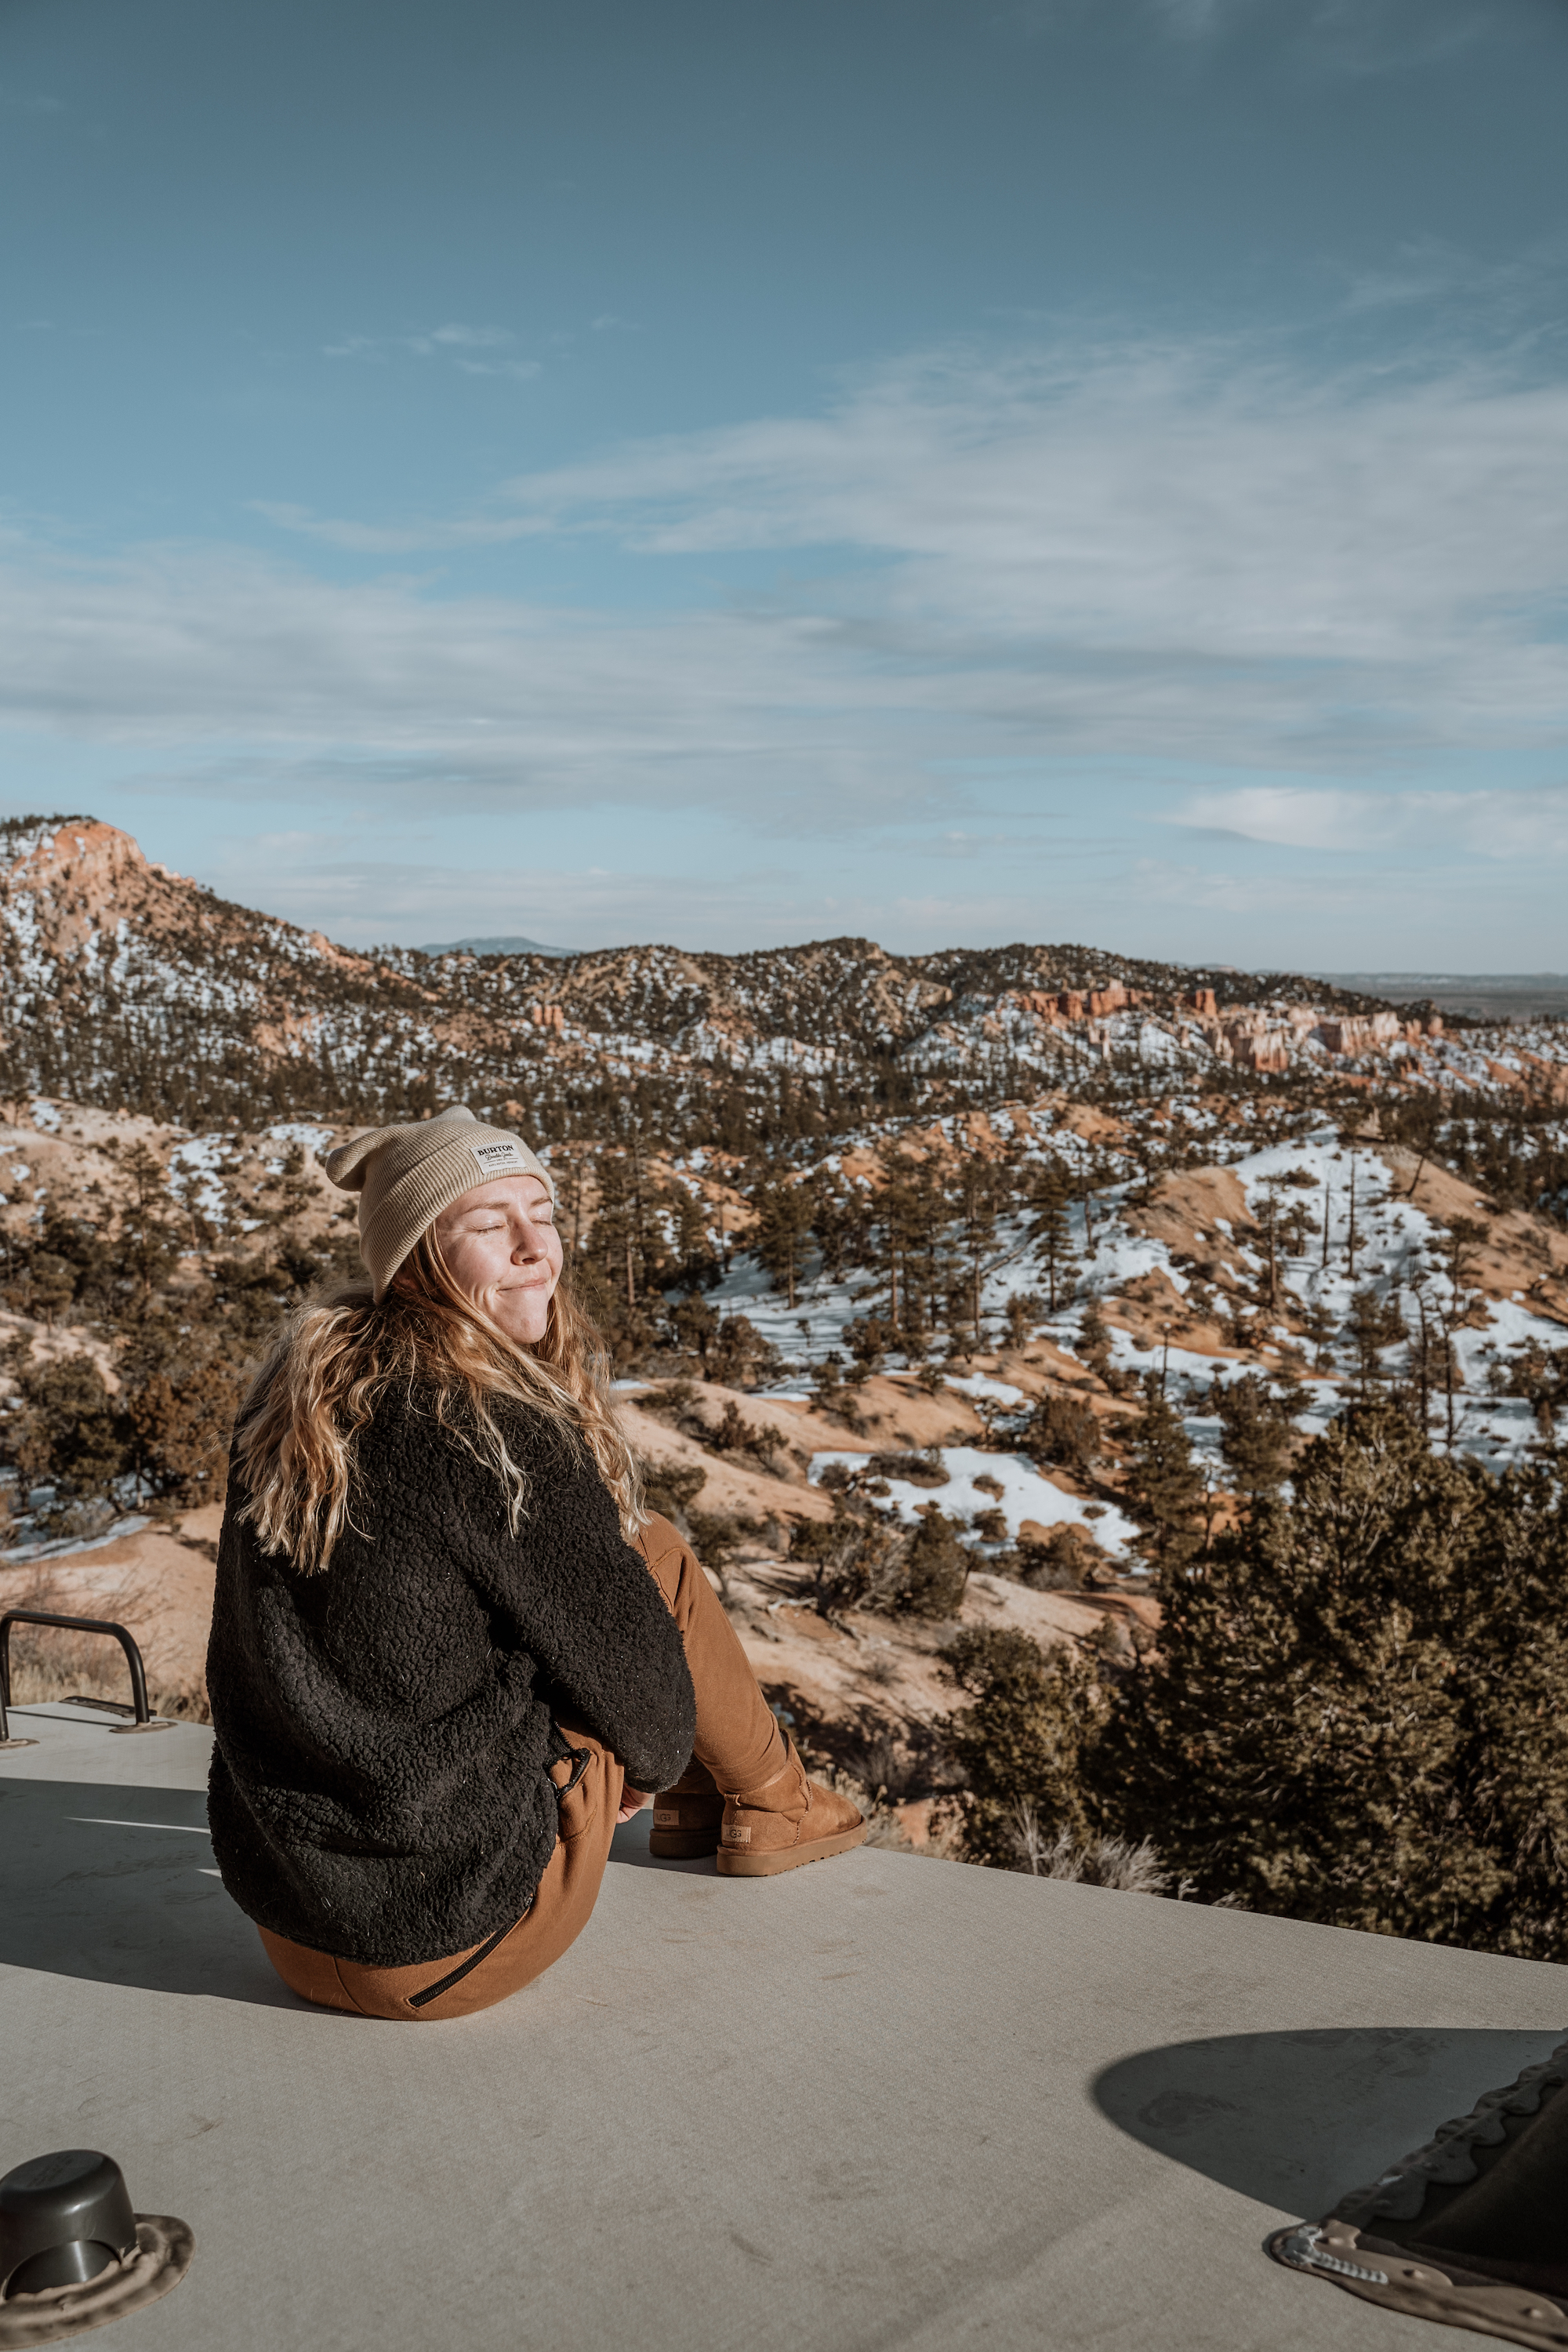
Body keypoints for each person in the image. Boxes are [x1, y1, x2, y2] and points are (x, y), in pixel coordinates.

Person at [205, 1105, 865, 2022]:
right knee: (655, 1561)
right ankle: (773, 1803)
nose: (532, 1248)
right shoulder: (486, 1426)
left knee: (610, 1584)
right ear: (414, 1263)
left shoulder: (293, 1406)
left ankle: (715, 1808)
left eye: (542, 1215)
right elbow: (657, 1725)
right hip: (458, 1942)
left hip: (292, 1928)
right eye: (489, 1225)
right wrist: (633, 1758)